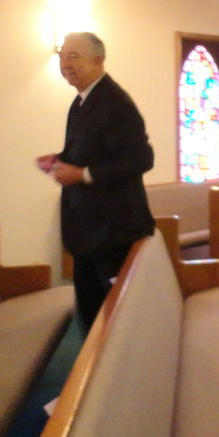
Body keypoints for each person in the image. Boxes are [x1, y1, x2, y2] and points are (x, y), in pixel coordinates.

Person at [36, 32, 155, 331]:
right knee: (91, 311)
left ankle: (119, 374)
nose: (65, 63)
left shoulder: (114, 101)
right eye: (62, 56)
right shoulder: (83, 101)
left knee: (117, 317)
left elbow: (141, 159)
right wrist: (61, 158)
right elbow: (95, 150)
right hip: (88, 229)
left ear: (98, 60)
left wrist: (81, 174)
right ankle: (93, 375)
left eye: (73, 56)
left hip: (112, 230)